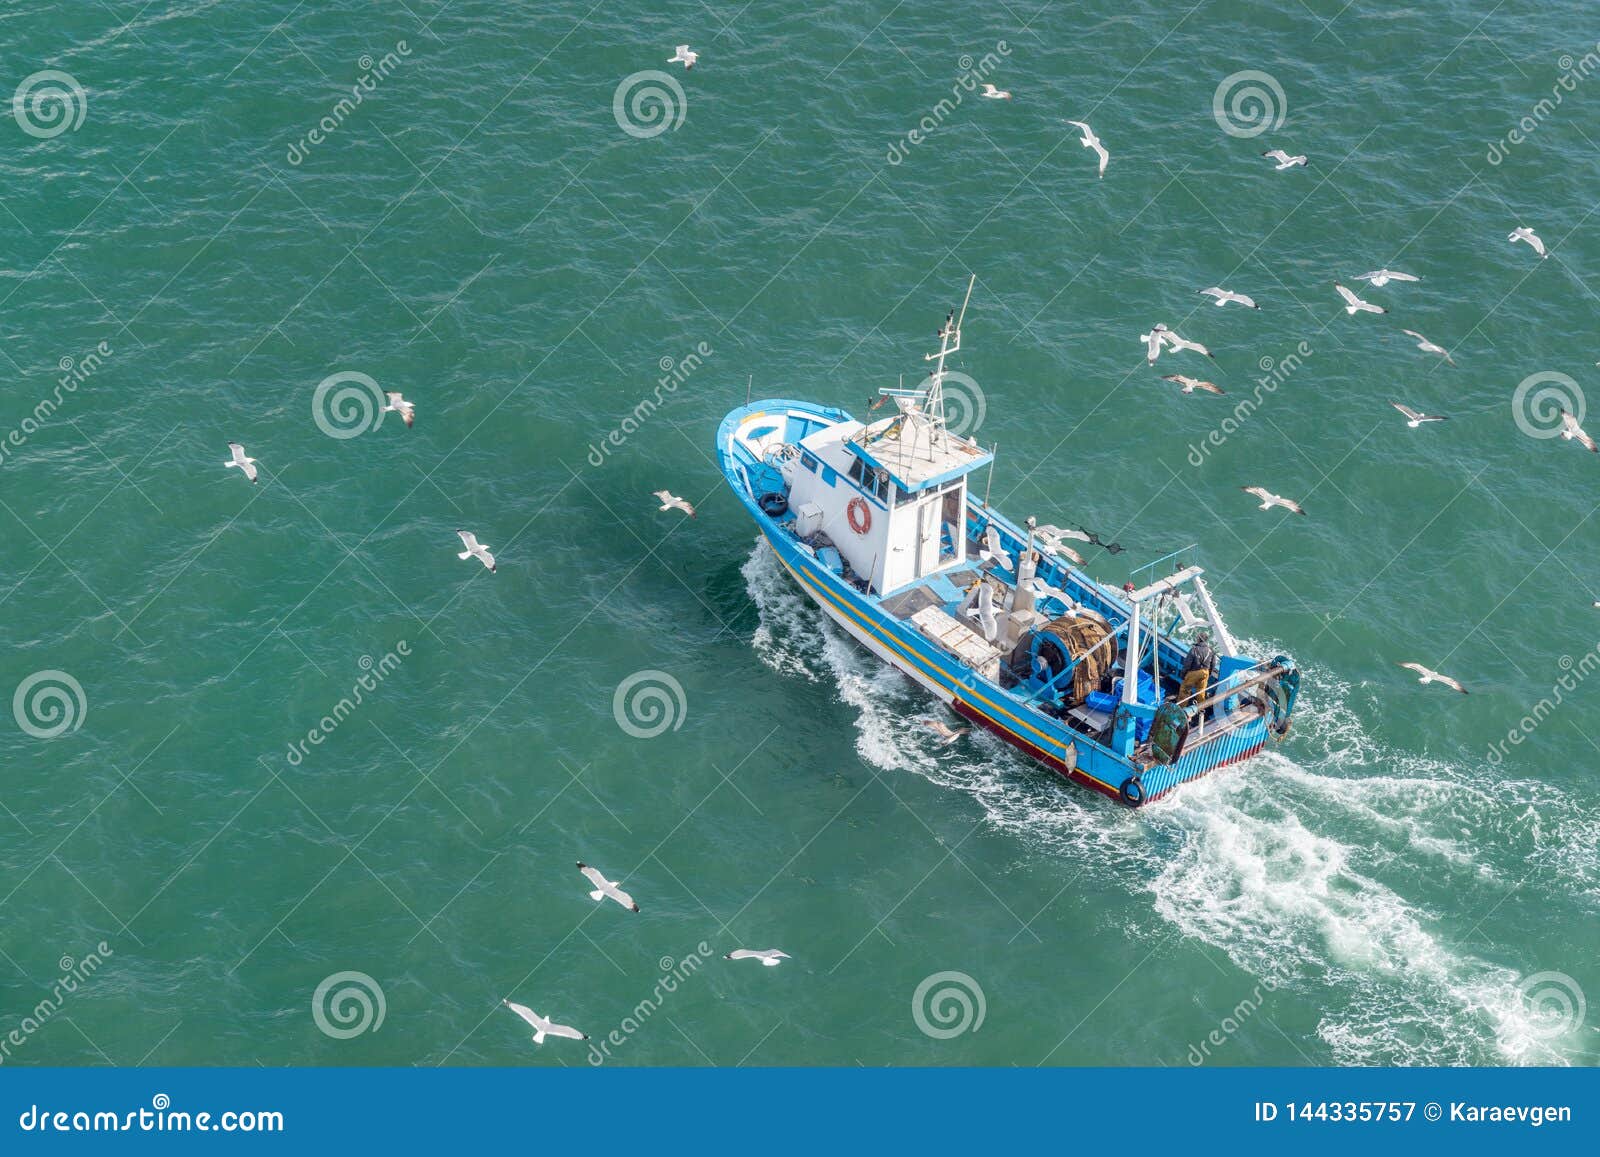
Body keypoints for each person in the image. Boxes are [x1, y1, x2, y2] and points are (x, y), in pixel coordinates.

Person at [1178, 630, 1219, 707]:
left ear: (1199, 639)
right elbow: (1213, 664)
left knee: (1185, 690)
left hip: (1194, 673)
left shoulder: (1194, 649)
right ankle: (1201, 708)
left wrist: (1183, 674)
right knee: (1201, 691)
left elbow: (1187, 664)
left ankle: (1181, 707)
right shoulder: (1211, 650)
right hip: (1205, 672)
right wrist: (1208, 673)